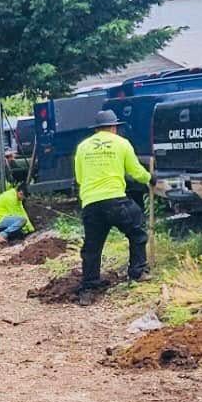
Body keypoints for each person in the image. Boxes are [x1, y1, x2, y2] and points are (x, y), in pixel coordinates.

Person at [72, 109, 150, 299]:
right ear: (114, 127)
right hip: (115, 200)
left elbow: (80, 177)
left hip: (91, 203)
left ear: (97, 129)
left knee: (92, 246)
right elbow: (135, 171)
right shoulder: (122, 144)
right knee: (137, 231)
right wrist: (151, 178)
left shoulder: (82, 147)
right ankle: (137, 272)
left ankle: (89, 288)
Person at [0, 179, 33, 244]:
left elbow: (22, 212)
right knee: (21, 221)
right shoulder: (11, 199)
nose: (23, 199)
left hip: (1, 219)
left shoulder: (15, 196)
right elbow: (18, 216)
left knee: (20, 226)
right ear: (21, 193)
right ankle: (1, 236)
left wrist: (31, 229)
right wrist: (27, 230)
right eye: (24, 197)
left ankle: (0, 235)